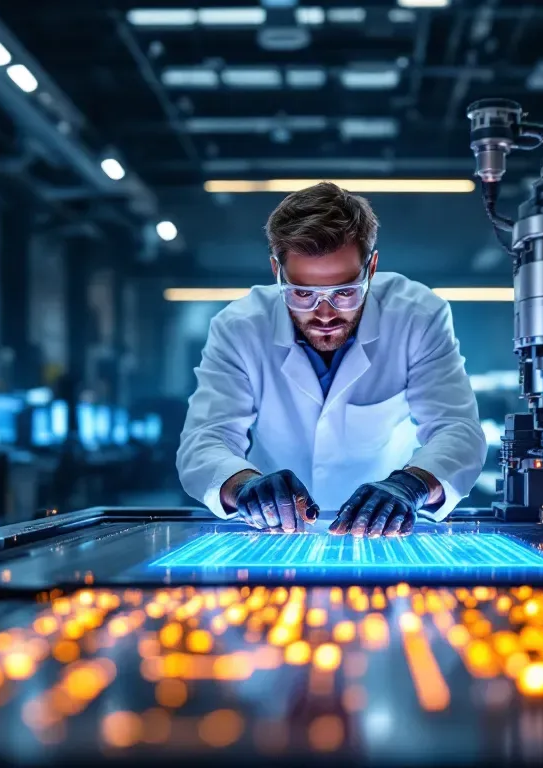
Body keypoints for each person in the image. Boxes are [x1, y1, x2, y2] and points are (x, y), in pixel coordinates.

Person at [177, 182, 487, 537]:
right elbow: (205, 440)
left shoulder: (417, 316)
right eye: (302, 293)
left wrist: (411, 485)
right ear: (276, 272)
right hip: (276, 533)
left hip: (385, 531)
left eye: (344, 292)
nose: (324, 313)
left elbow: (457, 429)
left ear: (371, 268)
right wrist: (243, 484)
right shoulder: (240, 327)